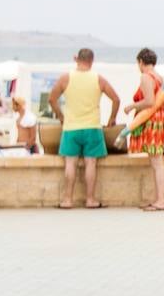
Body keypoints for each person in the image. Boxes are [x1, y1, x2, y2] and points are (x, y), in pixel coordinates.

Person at [47, 47, 120, 208]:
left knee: (70, 164)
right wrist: (112, 118)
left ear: (76, 59)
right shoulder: (98, 79)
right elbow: (116, 99)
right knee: (91, 163)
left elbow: (52, 99)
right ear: (92, 61)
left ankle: (67, 200)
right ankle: (90, 199)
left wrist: (60, 116)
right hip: (92, 127)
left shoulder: (65, 78)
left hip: (70, 128)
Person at [124, 47, 164, 210]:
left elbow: (149, 102)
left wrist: (132, 106)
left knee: (157, 162)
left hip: (152, 120)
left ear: (141, 62)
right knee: (156, 161)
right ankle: (158, 198)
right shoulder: (160, 77)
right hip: (161, 119)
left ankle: (162, 201)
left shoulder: (146, 77)